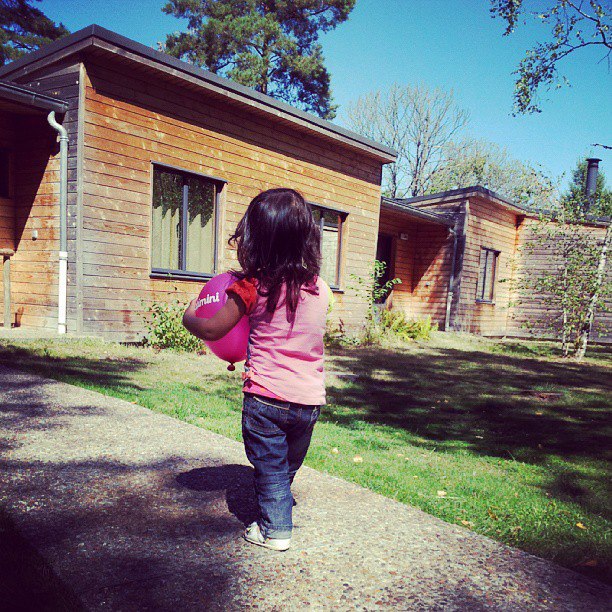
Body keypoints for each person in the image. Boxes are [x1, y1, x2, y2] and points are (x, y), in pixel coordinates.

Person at [183, 188, 328, 552]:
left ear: (254, 239)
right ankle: (276, 503)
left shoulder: (252, 287)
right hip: (309, 401)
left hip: (266, 400)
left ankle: (274, 530)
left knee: (270, 467)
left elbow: (213, 329)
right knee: (285, 465)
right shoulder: (320, 288)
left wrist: (189, 314)